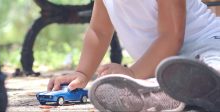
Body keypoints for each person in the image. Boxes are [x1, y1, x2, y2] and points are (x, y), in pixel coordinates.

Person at [47, 0, 220, 111]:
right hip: (163, 66)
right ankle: (165, 94)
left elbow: (171, 36)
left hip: (208, 42)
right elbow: (99, 32)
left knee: (213, 62)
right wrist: (82, 73)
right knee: (161, 77)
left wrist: (132, 73)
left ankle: (208, 81)